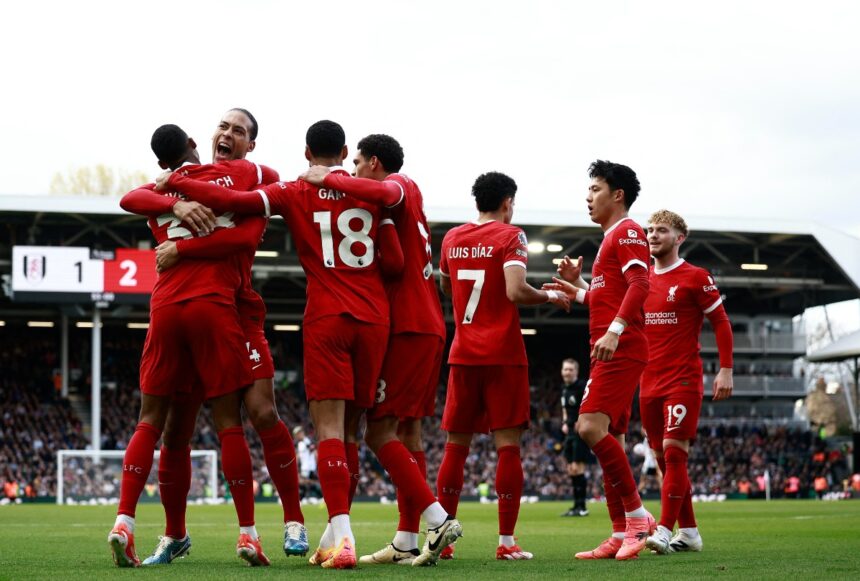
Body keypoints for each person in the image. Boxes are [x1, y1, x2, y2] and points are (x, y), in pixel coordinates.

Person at [156, 120, 399, 570]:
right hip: (375, 318)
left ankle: (339, 535)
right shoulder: (372, 191)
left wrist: (177, 185)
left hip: (326, 316)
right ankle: (341, 532)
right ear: (346, 151)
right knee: (353, 433)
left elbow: (233, 203)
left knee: (325, 429)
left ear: (306, 153)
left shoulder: (290, 189)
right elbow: (398, 258)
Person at [120, 108, 308, 564]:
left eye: (238, 130)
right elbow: (132, 197)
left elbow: (244, 234)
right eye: (222, 126)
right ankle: (174, 535)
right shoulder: (189, 179)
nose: (227, 134)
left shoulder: (253, 176)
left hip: (237, 311)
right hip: (203, 310)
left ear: (251, 144)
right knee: (177, 430)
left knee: (262, 412)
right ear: (201, 139)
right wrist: (176, 198)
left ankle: (292, 521)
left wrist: (179, 238)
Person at [301, 134, 457, 566]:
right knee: (410, 433)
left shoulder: (400, 186)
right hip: (428, 324)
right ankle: (407, 538)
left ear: (374, 162)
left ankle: (437, 518)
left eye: (356, 164)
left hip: (405, 325)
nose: (351, 171)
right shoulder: (408, 202)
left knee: (375, 431)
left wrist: (327, 179)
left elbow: (392, 261)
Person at [434, 171, 569, 561]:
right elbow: (515, 290)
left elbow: (446, 286)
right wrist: (549, 295)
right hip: (504, 355)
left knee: (455, 447)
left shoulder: (452, 238)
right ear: (508, 202)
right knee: (508, 448)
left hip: (463, 353)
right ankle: (507, 542)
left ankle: (444, 541)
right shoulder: (512, 236)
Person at [547, 160, 654, 561]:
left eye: (595, 189)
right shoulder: (611, 239)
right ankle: (619, 531)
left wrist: (616, 329)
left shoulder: (626, 231)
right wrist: (575, 289)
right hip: (614, 345)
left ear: (617, 194)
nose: (588, 197)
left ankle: (638, 519)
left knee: (588, 426)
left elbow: (642, 283)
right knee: (615, 442)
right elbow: (603, 298)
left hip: (620, 347)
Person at [636, 209, 733, 555]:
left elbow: (721, 323)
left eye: (661, 230)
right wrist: (580, 287)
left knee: (676, 455)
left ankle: (663, 530)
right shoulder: (642, 280)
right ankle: (689, 532)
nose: (652, 235)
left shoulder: (695, 277)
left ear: (679, 238)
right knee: (664, 460)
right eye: (649, 230)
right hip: (647, 382)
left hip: (682, 379)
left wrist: (726, 369)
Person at [559, 358, 591, 517]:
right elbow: (565, 407)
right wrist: (565, 421)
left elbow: (587, 404)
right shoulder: (564, 389)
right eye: (565, 369)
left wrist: (581, 420)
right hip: (570, 431)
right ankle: (576, 505)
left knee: (578, 468)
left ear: (576, 372)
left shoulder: (582, 386)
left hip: (579, 432)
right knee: (571, 469)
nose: (567, 372)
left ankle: (582, 507)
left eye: (570, 369)